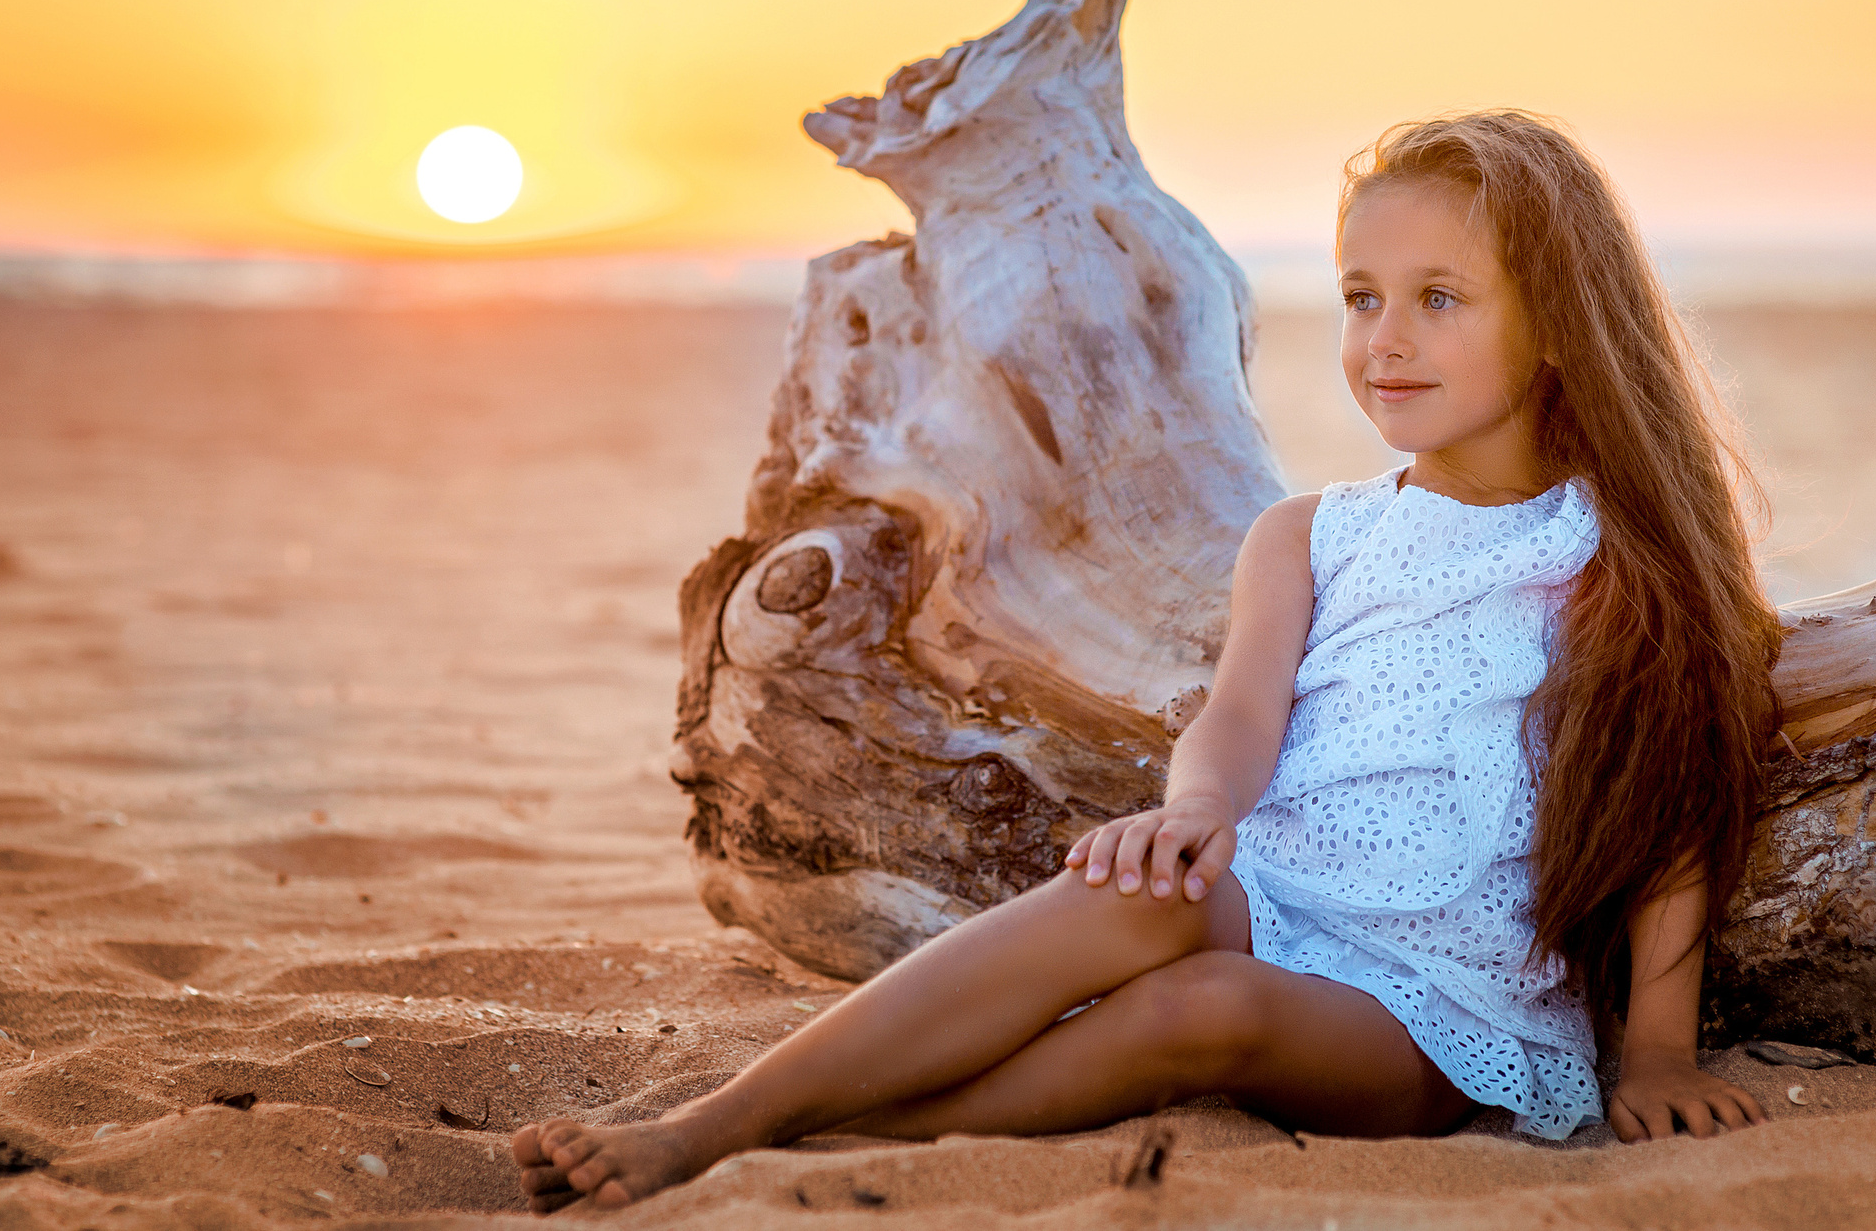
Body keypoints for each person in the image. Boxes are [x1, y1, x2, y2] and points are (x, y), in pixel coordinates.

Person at [515, 110, 1779, 1209]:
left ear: (1558, 320)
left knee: (1205, 1010)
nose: (1384, 339)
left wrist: (1659, 1048)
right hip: (1283, 896)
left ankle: (854, 1121)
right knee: (1135, 896)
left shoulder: (1610, 554)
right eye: (1359, 296)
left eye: (1438, 299)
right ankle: (711, 1125)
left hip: (1443, 1003)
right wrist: (1192, 813)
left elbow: (1671, 797)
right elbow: (1237, 717)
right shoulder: (1309, 535)